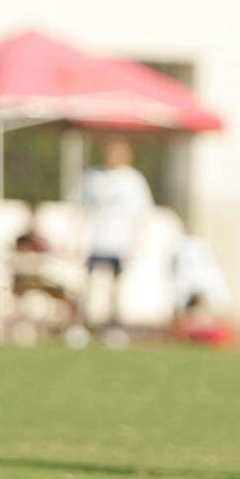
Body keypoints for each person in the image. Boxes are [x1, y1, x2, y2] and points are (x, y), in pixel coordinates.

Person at [79, 137, 153, 332]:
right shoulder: (94, 177)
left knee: (116, 287)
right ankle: (87, 324)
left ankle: (113, 325)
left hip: (120, 242)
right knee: (91, 284)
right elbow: (82, 211)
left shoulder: (133, 180)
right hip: (97, 241)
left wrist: (138, 244)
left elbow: (141, 214)